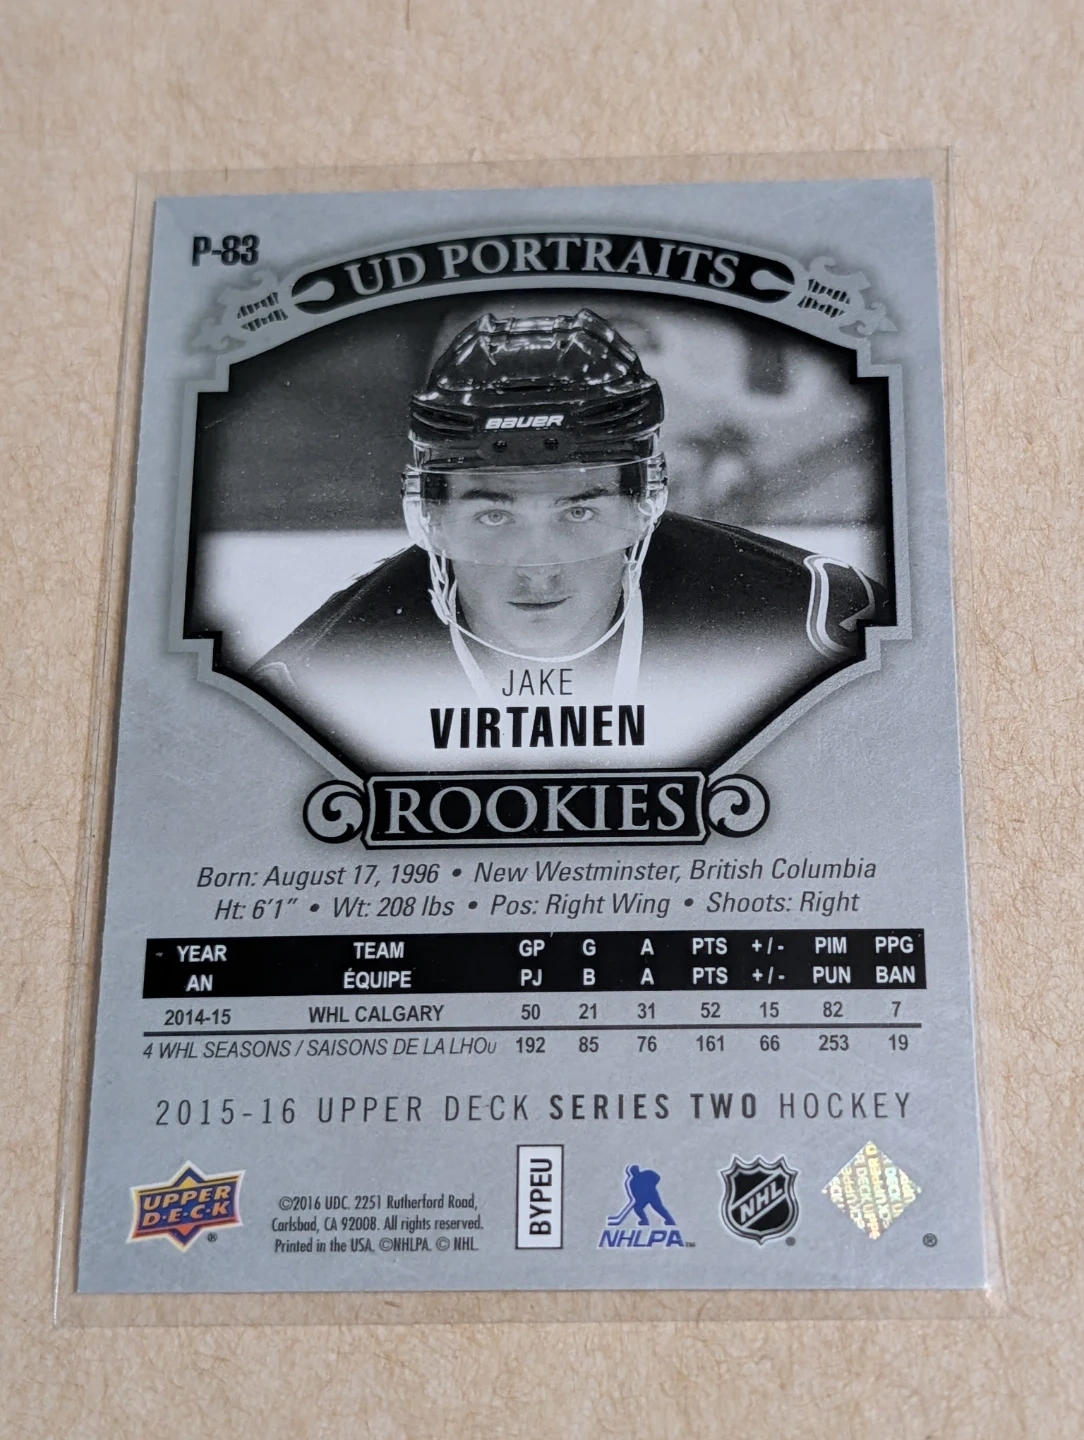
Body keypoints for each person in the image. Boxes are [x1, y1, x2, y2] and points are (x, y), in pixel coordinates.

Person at [252, 309, 887, 772]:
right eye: (494, 517)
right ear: (435, 518)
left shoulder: (814, 623)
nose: (539, 568)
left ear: (642, 505)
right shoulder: (312, 684)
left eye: (578, 512)